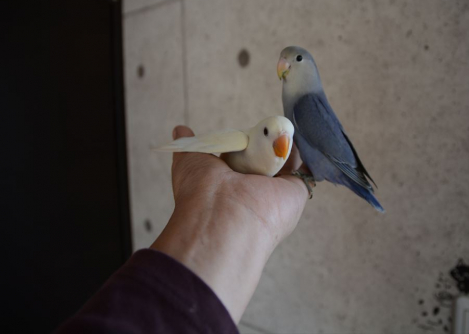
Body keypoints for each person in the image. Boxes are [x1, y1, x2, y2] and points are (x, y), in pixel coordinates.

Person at [56, 125, 311, 333]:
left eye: (286, 139)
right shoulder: (241, 139)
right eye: (271, 134)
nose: (281, 146)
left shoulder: (278, 159)